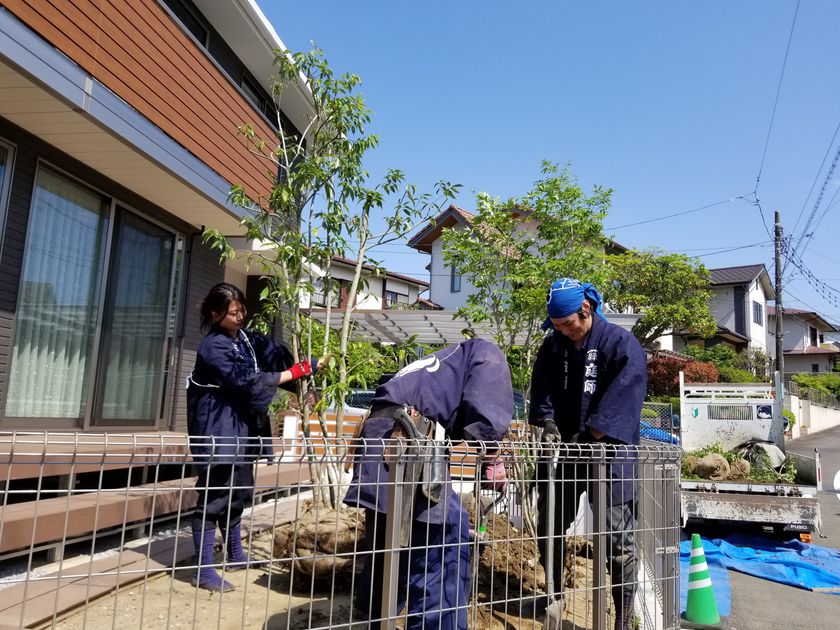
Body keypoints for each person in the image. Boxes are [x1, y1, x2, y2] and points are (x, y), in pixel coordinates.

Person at [343, 338, 513, 630]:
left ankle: (378, 619)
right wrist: (493, 456)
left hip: (380, 442)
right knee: (448, 540)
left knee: (388, 547)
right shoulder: (488, 353)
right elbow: (487, 410)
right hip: (409, 439)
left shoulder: (444, 361)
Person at [186, 282, 325, 592]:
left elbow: (275, 356)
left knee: (239, 491)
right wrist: (294, 373)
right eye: (233, 313)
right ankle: (202, 569)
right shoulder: (213, 346)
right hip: (217, 426)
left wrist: (307, 373)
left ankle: (235, 553)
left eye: (242, 310)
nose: (240, 317)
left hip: (242, 426)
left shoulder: (246, 339)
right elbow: (245, 380)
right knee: (215, 493)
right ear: (215, 314)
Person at [528, 278, 647, 630]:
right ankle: (552, 594)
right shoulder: (552, 347)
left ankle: (622, 617)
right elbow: (542, 389)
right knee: (549, 521)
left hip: (609, 455)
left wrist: (592, 432)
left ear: (587, 309)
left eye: (569, 324)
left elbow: (626, 395)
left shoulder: (620, 344)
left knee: (618, 540)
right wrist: (548, 421)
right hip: (565, 452)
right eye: (558, 326)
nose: (565, 332)